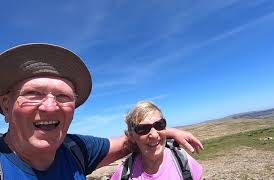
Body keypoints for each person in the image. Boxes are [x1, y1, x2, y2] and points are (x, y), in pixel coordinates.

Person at [0, 43, 203, 179]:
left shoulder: (77, 150)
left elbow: (131, 141)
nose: (50, 107)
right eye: (34, 93)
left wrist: (167, 132)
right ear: (6, 105)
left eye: (63, 96)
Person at [111, 100, 203, 180]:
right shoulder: (124, 173)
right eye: (143, 129)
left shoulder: (184, 163)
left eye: (159, 125)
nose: (154, 135)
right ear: (132, 136)